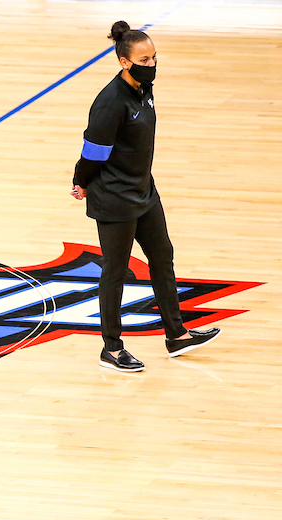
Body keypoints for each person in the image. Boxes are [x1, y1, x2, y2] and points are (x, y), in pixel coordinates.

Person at [71, 20, 220, 372]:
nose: (151, 65)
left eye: (154, 58)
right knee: (115, 271)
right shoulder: (111, 102)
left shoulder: (143, 90)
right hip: (115, 198)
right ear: (125, 61)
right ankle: (112, 348)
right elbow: (93, 153)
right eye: (144, 59)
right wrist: (81, 181)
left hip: (143, 190)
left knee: (162, 256)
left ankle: (176, 335)